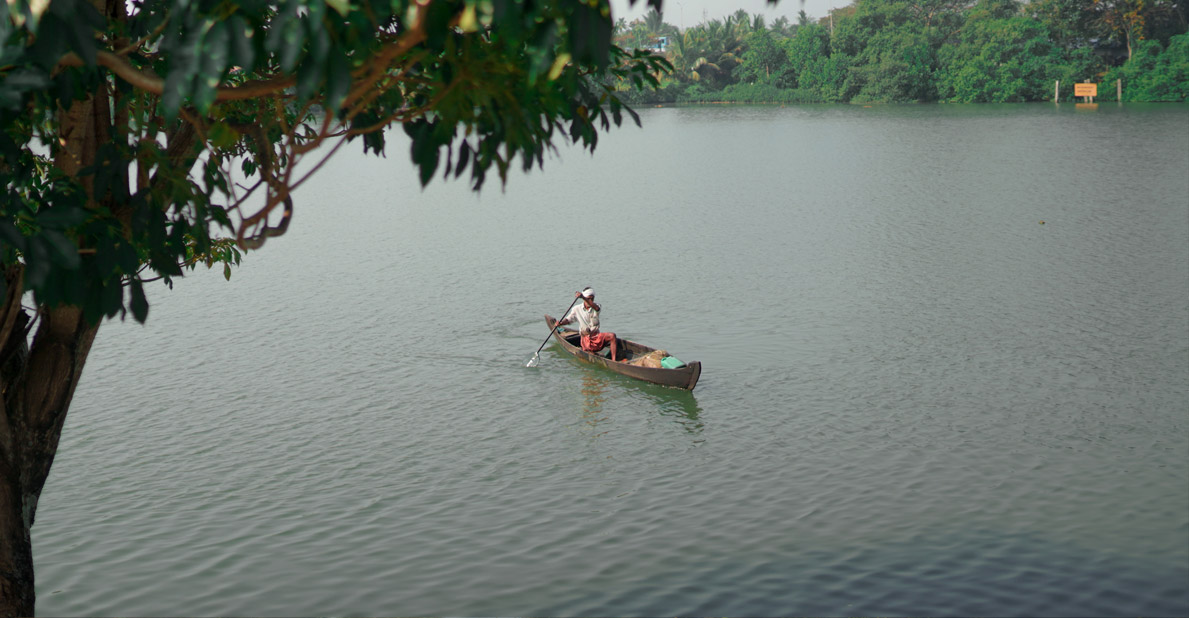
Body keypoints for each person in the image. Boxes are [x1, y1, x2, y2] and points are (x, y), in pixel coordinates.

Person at [557, 287, 622, 361]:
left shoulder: (596, 306)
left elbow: (597, 308)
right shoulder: (577, 309)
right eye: (589, 298)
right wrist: (561, 323)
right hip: (586, 340)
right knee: (590, 353)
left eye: (592, 299)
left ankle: (614, 361)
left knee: (612, 336)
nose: (590, 300)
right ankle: (590, 352)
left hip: (597, 337)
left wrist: (583, 297)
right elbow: (569, 320)